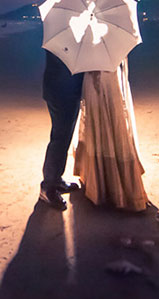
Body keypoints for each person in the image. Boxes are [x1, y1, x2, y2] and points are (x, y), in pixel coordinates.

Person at [73, 59, 148, 211]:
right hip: (102, 76)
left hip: (103, 77)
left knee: (106, 121)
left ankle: (103, 184)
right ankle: (105, 182)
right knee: (104, 122)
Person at [39, 50, 83, 210]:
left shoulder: (65, 33)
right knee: (59, 138)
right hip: (61, 92)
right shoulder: (63, 37)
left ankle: (56, 179)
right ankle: (48, 187)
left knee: (63, 137)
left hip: (66, 91)